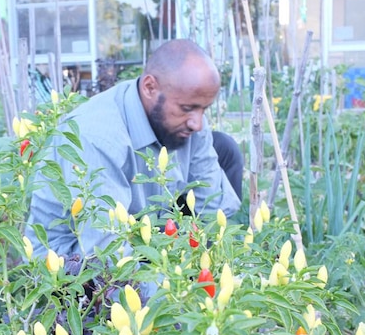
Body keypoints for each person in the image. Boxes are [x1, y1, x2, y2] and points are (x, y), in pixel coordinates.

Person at [25, 39, 243, 258]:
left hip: (143, 229)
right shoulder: (98, 137)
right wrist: (178, 290)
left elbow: (213, 208)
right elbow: (106, 252)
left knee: (224, 147)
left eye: (203, 109)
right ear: (149, 88)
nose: (197, 122)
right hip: (75, 254)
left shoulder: (192, 119)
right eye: (187, 109)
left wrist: (213, 265)